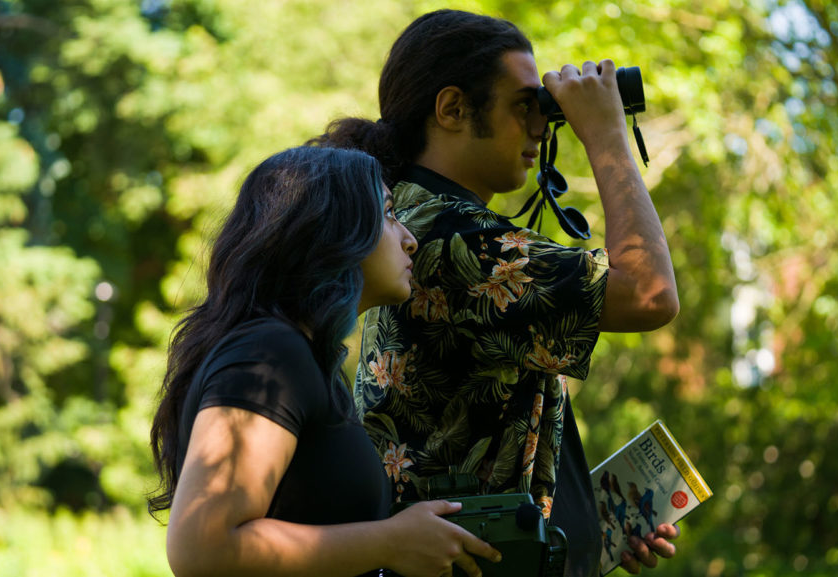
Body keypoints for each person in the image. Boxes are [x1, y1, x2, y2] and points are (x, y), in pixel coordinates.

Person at [311, 10, 681, 577]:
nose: (540, 126)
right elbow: (651, 294)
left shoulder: (408, 218)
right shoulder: (453, 242)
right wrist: (605, 132)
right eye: (523, 105)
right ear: (453, 109)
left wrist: (590, 527)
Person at [148, 146, 504, 577]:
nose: (409, 238)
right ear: (335, 230)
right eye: (389, 214)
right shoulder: (269, 354)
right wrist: (391, 541)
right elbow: (202, 548)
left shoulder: (303, 359)